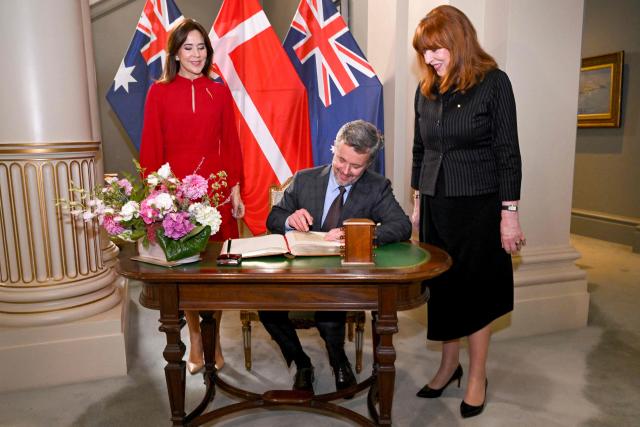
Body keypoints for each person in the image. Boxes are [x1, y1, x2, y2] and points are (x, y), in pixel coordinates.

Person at [411, 5, 525, 419]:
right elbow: (420, 150)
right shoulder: (428, 90)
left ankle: (476, 376)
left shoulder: (494, 83)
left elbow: (507, 152)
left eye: (436, 49)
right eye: (424, 52)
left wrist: (508, 212)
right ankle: (447, 365)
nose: (429, 59)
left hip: (479, 205)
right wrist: (418, 202)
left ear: (459, 41)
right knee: (444, 289)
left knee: (476, 293)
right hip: (437, 204)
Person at [260, 120, 411, 394]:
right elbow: (273, 217)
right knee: (266, 309)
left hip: (340, 278)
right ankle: (302, 363)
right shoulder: (305, 179)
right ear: (334, 149)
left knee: (329, 310)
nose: (345, 170)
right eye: (341, 159)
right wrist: (290, 219)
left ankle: (338, 359)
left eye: (356, 167)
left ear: (368, 165)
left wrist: (358, 234)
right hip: (298, 272)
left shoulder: (376, 187)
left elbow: (402, 226)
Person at [140, 18, 244, 375]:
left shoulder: (220, 89)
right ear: (175, 53)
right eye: (189, 47)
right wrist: (158, 198)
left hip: (215, 192)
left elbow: (231, 143)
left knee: (215, 270)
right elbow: (152, 147)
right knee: (187, 270)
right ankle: (196, 339)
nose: (196, 54)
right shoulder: (159, 92)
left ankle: (213, 339)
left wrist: (235, 189)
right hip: (178, 196)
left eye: (201, 47)